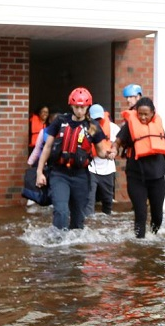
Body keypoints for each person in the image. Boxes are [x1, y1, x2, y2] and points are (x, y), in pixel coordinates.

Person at [36, 88, 113, 230]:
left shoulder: (92, 126)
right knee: (61, 211)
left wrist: (109, 154)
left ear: (87, 107)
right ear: (71, 106)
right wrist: (39, 172)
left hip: (81, 175)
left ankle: (74, 248)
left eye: (82, 107)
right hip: (59, 173)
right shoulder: (60, 121)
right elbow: (47, 147)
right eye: (76, 107)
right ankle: (58, 242)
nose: (79, 111)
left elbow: (101, 151)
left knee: (78, 219)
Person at [113, 96, 165, 238]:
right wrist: (113, 151)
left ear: (153, 113)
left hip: (157, 177)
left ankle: (153, 238)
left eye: (145, 114)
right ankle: (140, 246)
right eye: (139, 114)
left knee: (157, 216)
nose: (142, 117)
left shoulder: (157, 127)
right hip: (136, 177)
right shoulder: (129, 126)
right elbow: (117, 142)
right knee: (140, 213)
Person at [85, 104, 121, 216]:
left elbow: (118, 145)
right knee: (89, 202)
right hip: (90, 169)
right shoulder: (86, 128)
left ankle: (106, 226)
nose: (97, 121)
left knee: (107, 201)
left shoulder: (113, 128)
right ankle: (89, 224)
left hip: (108, 170)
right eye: (94, 118)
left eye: (99, 118)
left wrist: (114, 152)